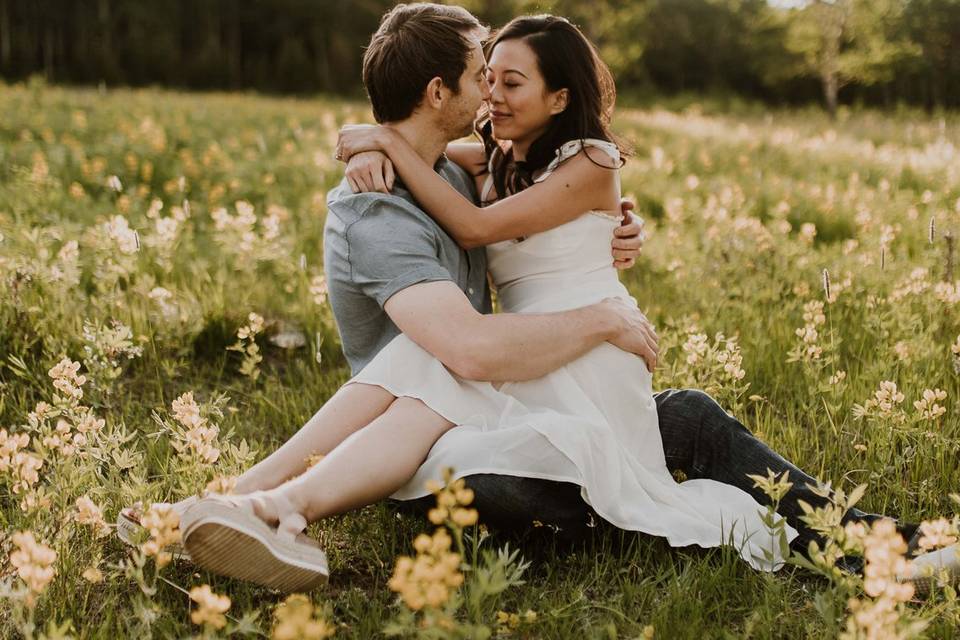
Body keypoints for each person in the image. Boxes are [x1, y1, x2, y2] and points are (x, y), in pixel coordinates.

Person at [121, 4, 957, 595]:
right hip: (480, 402)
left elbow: (492, 200)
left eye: (509, 80)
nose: (491, 94)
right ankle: (263, 502)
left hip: (524, 385)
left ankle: (877, 548)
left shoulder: (505, 163)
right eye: (485, 77)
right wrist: (367, 142)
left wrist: (385, 140)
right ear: (443, 92)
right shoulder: (436, 178)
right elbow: (474, 311)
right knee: (459, 380)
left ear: (559, 96)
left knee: (690, 416)